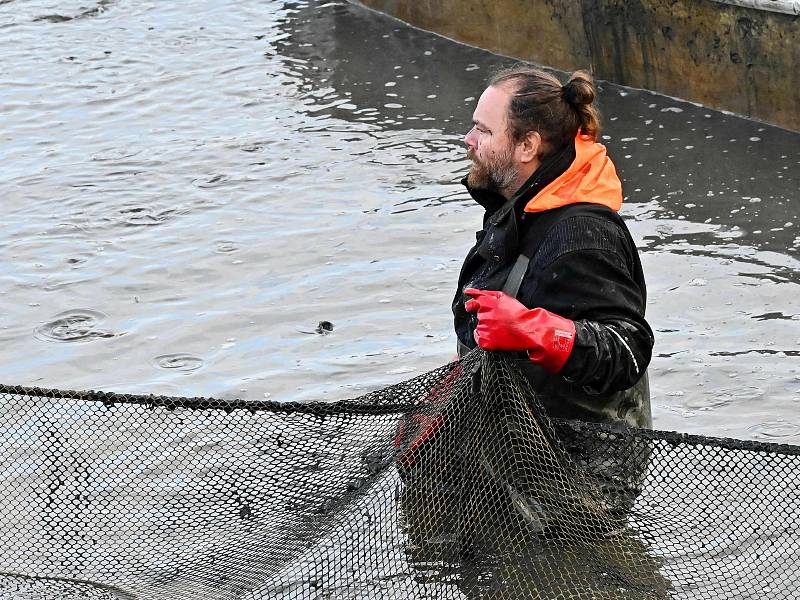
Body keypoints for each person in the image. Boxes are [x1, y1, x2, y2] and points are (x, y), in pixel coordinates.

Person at [454, 65, 653, 430]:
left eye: (483, 130)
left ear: (527, 146)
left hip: (577, 465)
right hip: (507, 438)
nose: (469, 139)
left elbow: (628, 351)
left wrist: (534, 330)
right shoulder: (517, 207)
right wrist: (442, 406)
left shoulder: (583, 234)